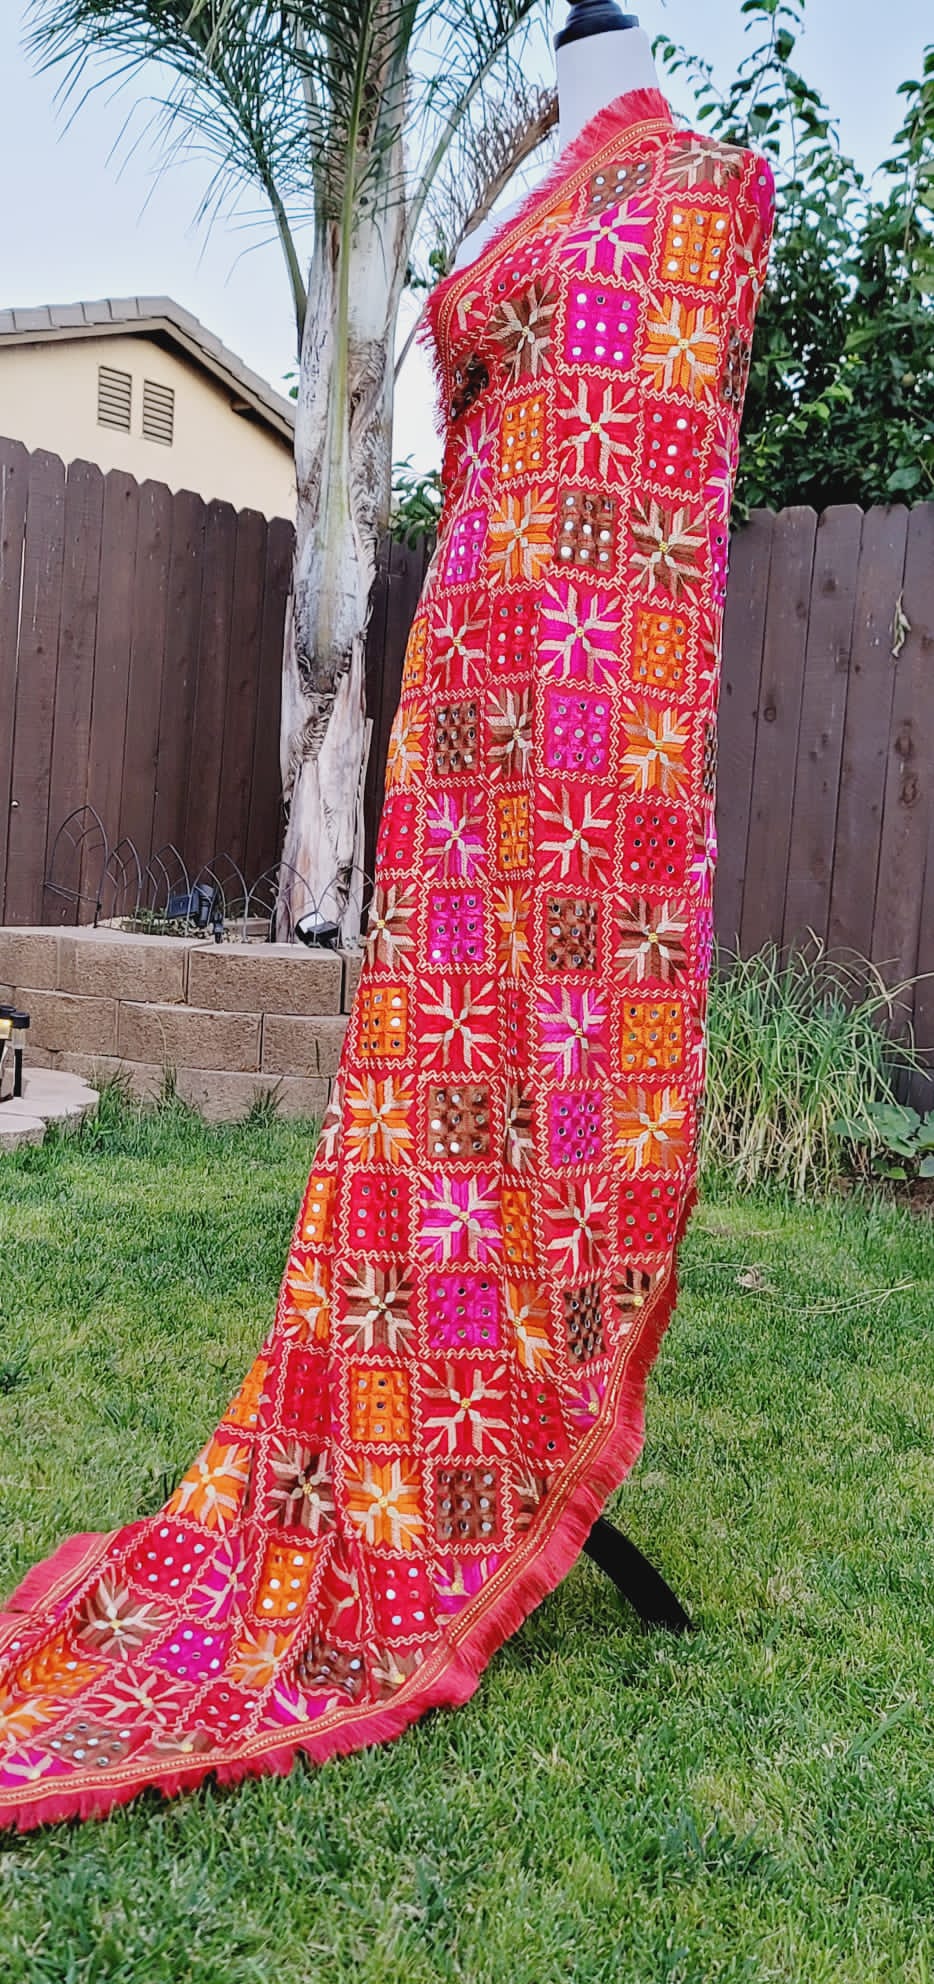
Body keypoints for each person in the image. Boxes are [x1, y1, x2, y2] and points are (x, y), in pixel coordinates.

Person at [0, 10, 776, 1831]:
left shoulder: (705, 188)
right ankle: (398, 1414)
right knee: (425, 1088)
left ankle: (498, 1434)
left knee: (554, 1083)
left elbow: (657, 459)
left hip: (592, 716)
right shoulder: (539, 186)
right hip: (467, 691)